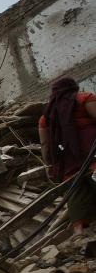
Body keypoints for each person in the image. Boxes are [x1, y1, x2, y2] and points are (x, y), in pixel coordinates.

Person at [38, 77, 96, 235]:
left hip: (68, 166)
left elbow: (45, 145)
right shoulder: (85, 98)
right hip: (92, 157)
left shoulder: (45, 117)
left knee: (77, 199)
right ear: (73, 88)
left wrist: (50, 165)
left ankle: (80, 234)